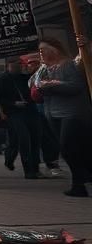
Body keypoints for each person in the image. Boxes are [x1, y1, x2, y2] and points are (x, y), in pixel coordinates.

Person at [31, 36, 92, 197]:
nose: (41, 54)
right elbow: (34, 86)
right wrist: (41, 87)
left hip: (72, 113)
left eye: (43, 50)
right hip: (53, 113)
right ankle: (80, 182)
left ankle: (81, 180)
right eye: (40, 51)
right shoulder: (44, 69)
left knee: (68, 148)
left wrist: (54, 85)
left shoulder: (68, 65)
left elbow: (76, 86)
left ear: (54, 49)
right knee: (73, 149)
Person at [0, 58, 41, 178]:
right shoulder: (2, 80)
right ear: (8, 66)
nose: (19, 66)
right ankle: (28, 169)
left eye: (20, 64)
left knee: (33, 138)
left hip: (29, 110)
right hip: (13, 112)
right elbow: (0, 98)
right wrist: (13, 104)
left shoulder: (24, 77)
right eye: (16, 64)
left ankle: (35, 168)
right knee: (23, 138)